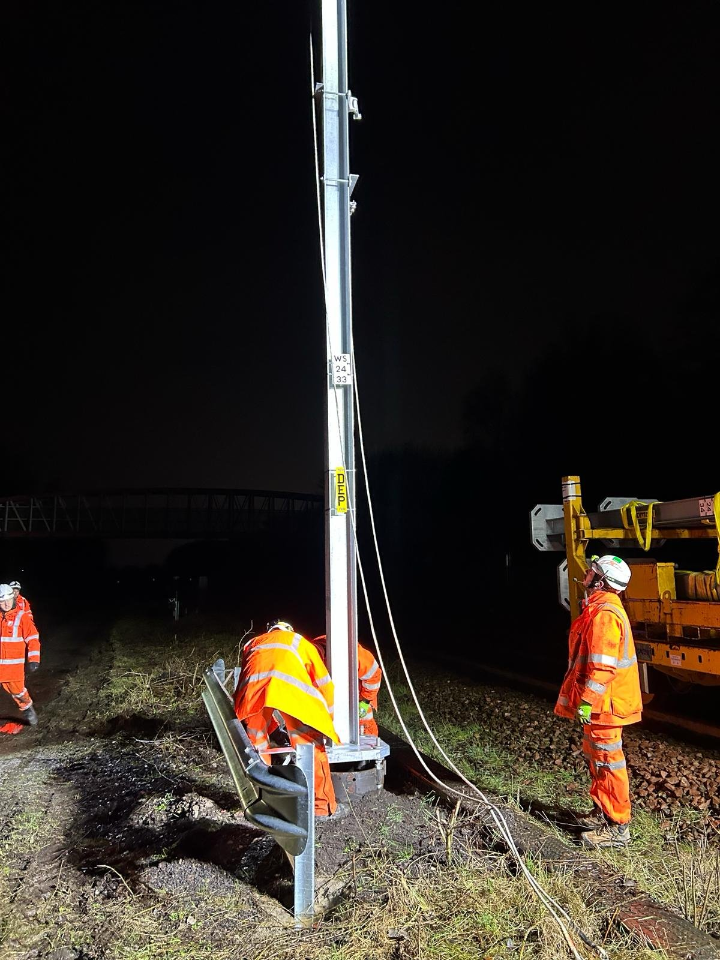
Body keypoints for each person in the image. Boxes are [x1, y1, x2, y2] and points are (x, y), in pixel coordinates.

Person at [555, 555, 642, 849]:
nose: (586, 575)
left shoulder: (604, 614)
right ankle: (603, 812)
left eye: (591, 572)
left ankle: (618, 828)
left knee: (607, 762)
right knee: (598, 759)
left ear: (602, 581)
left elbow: (603, 667)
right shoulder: (599, 609)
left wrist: (586, 702)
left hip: (606, 705)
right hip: (603, 705)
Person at [234, 620, 345, 818]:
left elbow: (255, 678)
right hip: (293, 695)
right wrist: (326, 721)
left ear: (270, 631)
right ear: (290, 630)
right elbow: (324, 684)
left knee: (255, 744)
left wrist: (273, 728)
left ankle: (262, 800)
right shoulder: (300, 642)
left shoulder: (252, 643)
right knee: (310, 746)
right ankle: (323, 807)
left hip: (252, 696)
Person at [311, 634, 383, 737]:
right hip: (327, 715)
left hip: (358, 713)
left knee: (364, 738)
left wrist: (365, 700)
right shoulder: (306, 656)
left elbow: (374, 674)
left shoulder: (351, 652)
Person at [0, 583, 40, 726]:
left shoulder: (22, 617)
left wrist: (34, 659)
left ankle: (27, 707)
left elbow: (32, 637)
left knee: (18, 691)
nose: (5, 604)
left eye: (8, 600)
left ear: (13, 599)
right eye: (1, 601)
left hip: (13, 667)